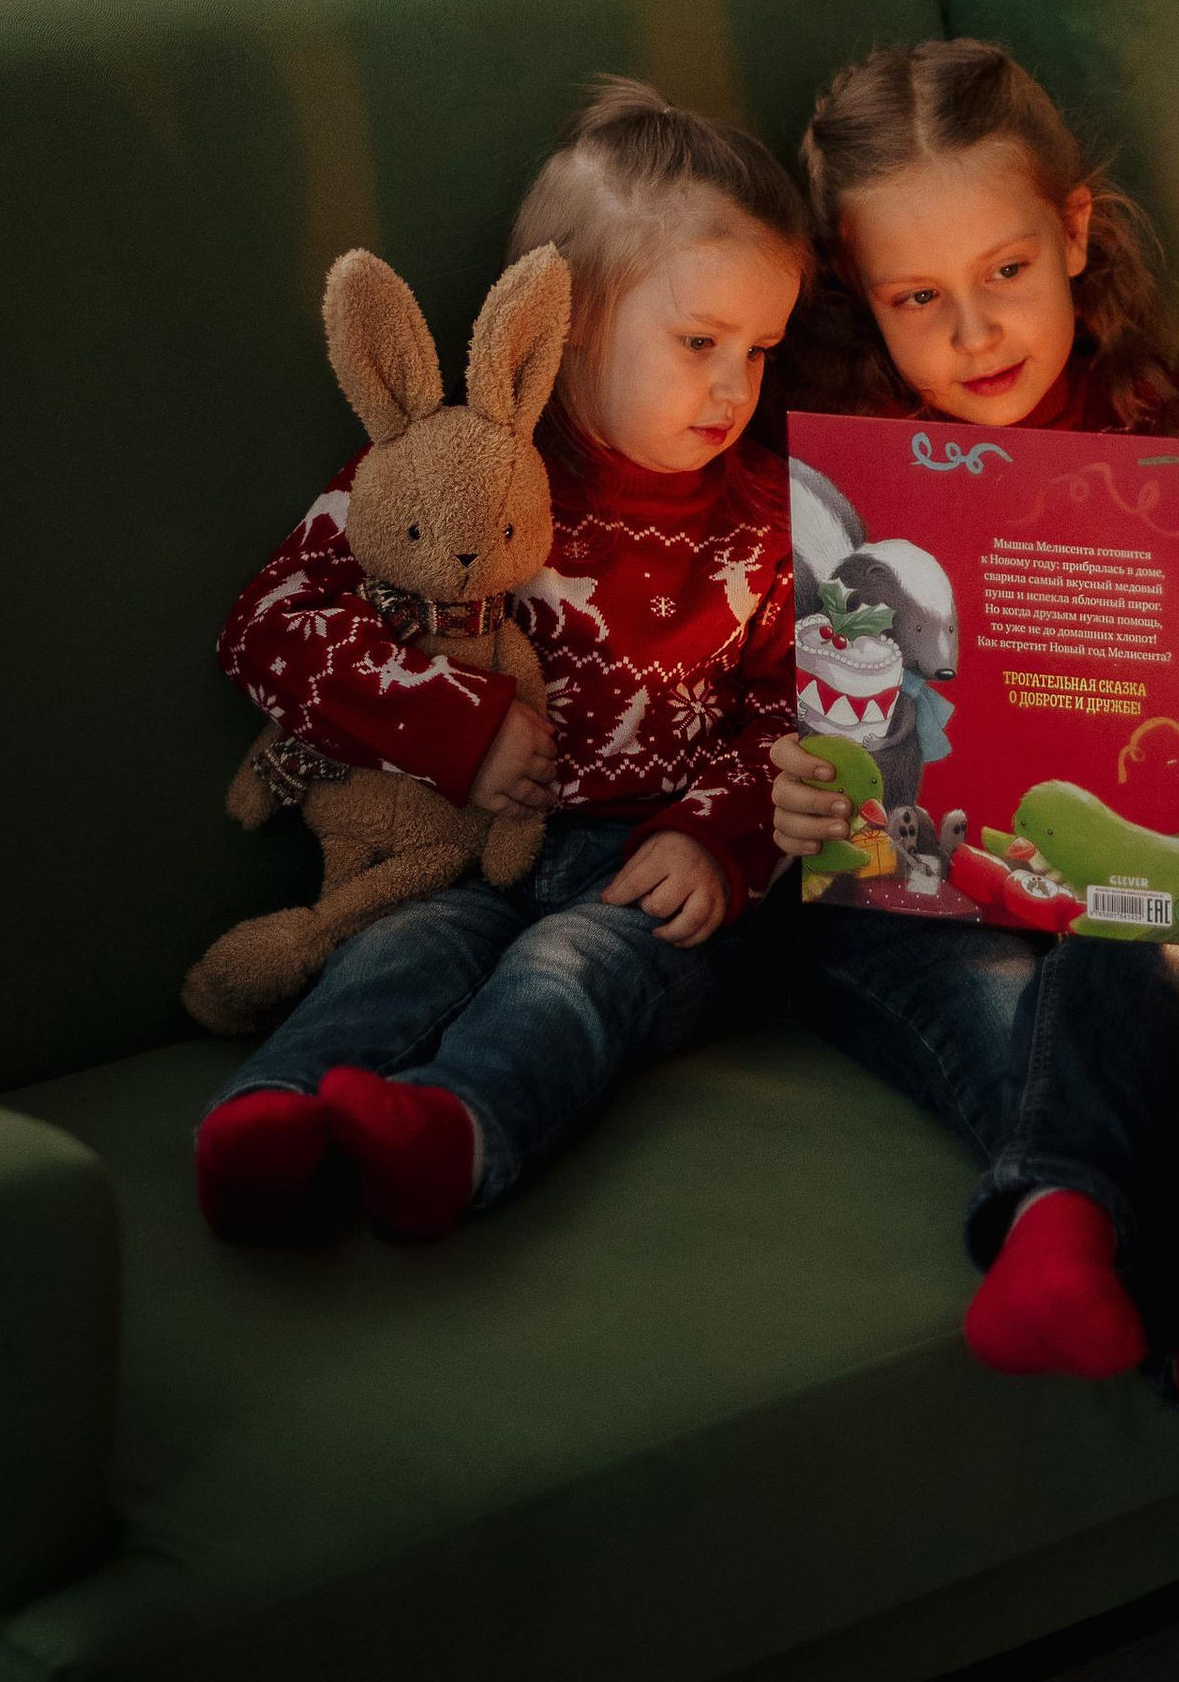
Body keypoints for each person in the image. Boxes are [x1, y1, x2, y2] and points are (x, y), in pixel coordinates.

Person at [770, 35, 1179, 1485]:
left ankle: (1064, 1244)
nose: (974, 331)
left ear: (1073, 232)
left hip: (1096, 884)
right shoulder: (823, 467)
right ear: (862, 299)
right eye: (917, 298)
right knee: (1007, 993)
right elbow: (749, 693)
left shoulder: (1160, 428)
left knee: (1161, 928)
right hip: (896, 907)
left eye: (1005, 270)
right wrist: (781, 781)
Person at [193, 82, 808, 1244]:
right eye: (698, 343)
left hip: (650, 873)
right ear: (564, 324)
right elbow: (268, 621)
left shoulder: (770, 518)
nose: (734, 387)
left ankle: (455, 1134)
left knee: (575, 972)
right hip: (461, 857)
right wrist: (453, 726)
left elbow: (801, 705)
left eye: (760, 349)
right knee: (400, 956)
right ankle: (265, 1124)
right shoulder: (461, 477)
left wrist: (713, 839)